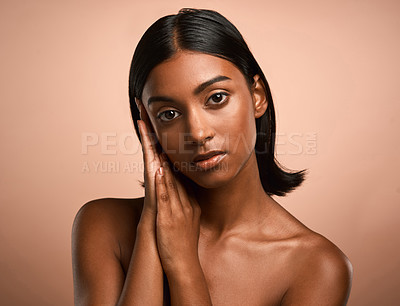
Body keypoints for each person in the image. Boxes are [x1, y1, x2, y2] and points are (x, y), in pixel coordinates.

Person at [72, 8, 353, 305]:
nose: (197, 132)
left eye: (216, 98)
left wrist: (183, 267)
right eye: (169, 114)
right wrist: (151, 233)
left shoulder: (316, 267)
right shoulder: (102, 226)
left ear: (257, 95)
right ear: (148, 124)